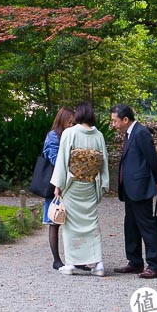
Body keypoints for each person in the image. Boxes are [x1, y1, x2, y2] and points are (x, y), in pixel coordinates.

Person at [50, 102, 109, 276]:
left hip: (73, 185)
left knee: (70, 226)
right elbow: (103, 161)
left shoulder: (70, 133)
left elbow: (62, 160)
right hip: (90, 185)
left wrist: (58, 186)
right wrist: (104, 184)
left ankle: (72, 262)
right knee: (92, 224)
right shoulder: (99, 135)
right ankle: (98, 264)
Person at [111, 104, 157, 279]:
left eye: (115, 121)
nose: (113, 124)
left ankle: (154, 266)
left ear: (125, 120)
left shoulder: (141, 133)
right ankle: (134, 262)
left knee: (147, 226)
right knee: (131, 225)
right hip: (130, 188)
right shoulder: (129, 133)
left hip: (140, 187)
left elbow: (152, 159)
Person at [42, 106, 75, 270]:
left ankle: (76, 259)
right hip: (55, 184)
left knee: (73, 222)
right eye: (69, 121)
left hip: (69, 184)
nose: (71, 124)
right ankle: (56, 259)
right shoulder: (53, 136)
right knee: (54, 221)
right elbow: (54, 159)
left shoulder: (72, 135)